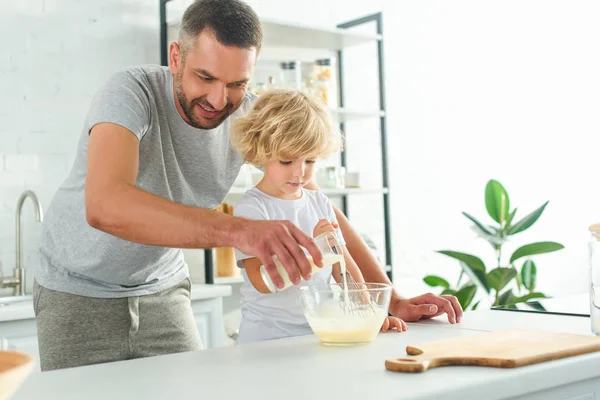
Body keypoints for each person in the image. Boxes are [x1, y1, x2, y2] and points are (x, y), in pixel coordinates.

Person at [33, 0, 461, 371]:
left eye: (237, 84)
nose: (219, 100)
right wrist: (240, 230)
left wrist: (392, 299)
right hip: (77, 292)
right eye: (205, 77)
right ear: (176, 56)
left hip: (162, 290)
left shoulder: (252, 117)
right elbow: (105, 205)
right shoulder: (131, 92)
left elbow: (317, 202)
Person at [230, 90, 407, 342]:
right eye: (287, 161)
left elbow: (345, 268)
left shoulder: (319, 202)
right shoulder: (253, 208)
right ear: (261, 151)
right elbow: (263, 281)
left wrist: (369, 314)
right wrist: (317, 248)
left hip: (316, 333)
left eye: (310, 160)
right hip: (265, 339)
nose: (299, 173)